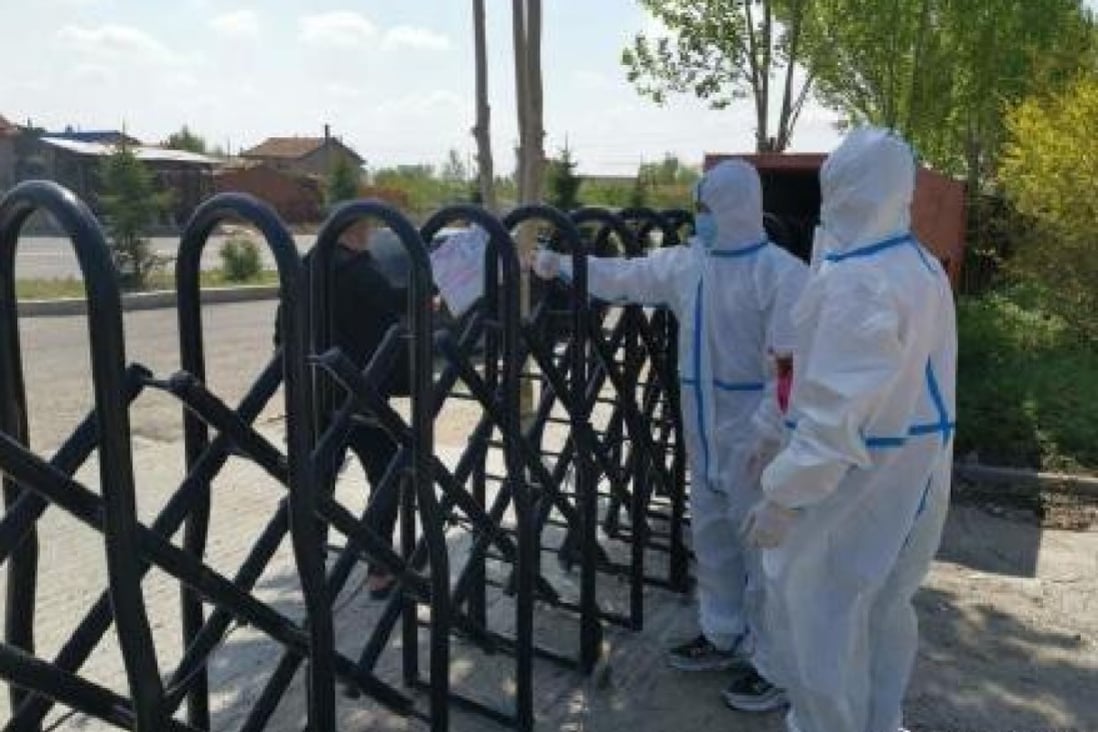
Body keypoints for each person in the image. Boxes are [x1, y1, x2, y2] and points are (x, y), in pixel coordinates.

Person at [531, 160, 806, 709]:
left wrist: (769, 439)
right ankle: (723, 633)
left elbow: (791, 371)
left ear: (733, 207)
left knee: (767, 557)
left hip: (757, 441)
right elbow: (625, 277)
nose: (699, 217)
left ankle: (776, 665)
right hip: (705, 434)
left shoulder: (781, 275)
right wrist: (554, 263)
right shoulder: (690, 265)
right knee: (713, 540)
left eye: (706, 208)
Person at [742, 127, 957, 732]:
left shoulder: (858, 281)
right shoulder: (915, 263)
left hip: (859, 477)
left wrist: (783, 495)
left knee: (818, 616)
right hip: (909, 466)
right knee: (881, 609)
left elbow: (835, 418)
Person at [275, 217, 407, 599]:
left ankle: (311, 567)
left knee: (316, 482)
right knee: (386, 473)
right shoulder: (363, 272)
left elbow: (283, 329)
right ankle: (380, 569)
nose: (371, 238)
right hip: (359, 391)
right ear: (355, 233)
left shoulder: (301, 267)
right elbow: (390, 319)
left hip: (312, 392)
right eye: (368, 231)